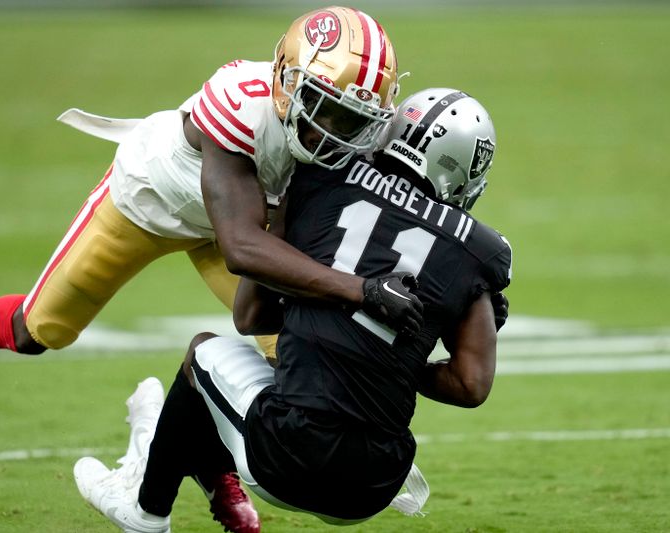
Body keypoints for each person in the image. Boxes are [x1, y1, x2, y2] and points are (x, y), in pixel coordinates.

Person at [0, 6, 419, 533]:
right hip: (153, 202)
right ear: (285, 77)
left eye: (350, 119)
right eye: (323, 108)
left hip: (246, 228)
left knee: (289, 349)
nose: (333, 132)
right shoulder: (241, 102)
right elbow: (241, 247)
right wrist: (359, 290)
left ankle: (213, 465)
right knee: (39, 329)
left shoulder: (352, 131)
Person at [72, 87, 513, 532]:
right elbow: (470, 384)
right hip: (374, 486)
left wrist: (339, 318)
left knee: (202, 354)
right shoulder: (479, 249)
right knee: (249, 395)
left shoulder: (321, 182)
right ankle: (182, 467)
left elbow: (249, 316)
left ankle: (145, 513)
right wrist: (397, 351)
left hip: (286, 460)